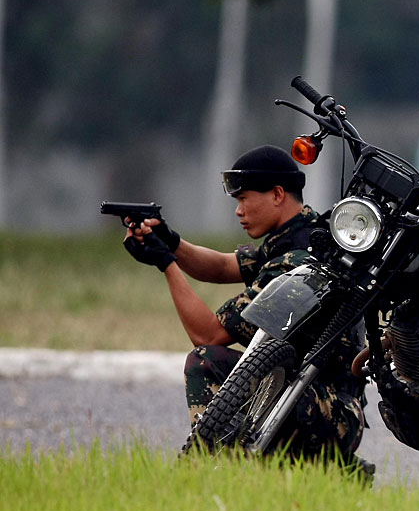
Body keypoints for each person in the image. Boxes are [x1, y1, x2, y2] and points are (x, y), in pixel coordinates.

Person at [122, 144, 367, 465]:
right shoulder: (301, 236)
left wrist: (165, 264)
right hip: (317, 403)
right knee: (246, 375)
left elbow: (208, 335)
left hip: (327, 411)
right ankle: (242, 462)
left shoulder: (296, 260)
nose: (238, 211)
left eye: (243, 199)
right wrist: (170, 241)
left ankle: (214, 461)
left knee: (206, 360)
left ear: (278, 194)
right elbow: (223, 267)